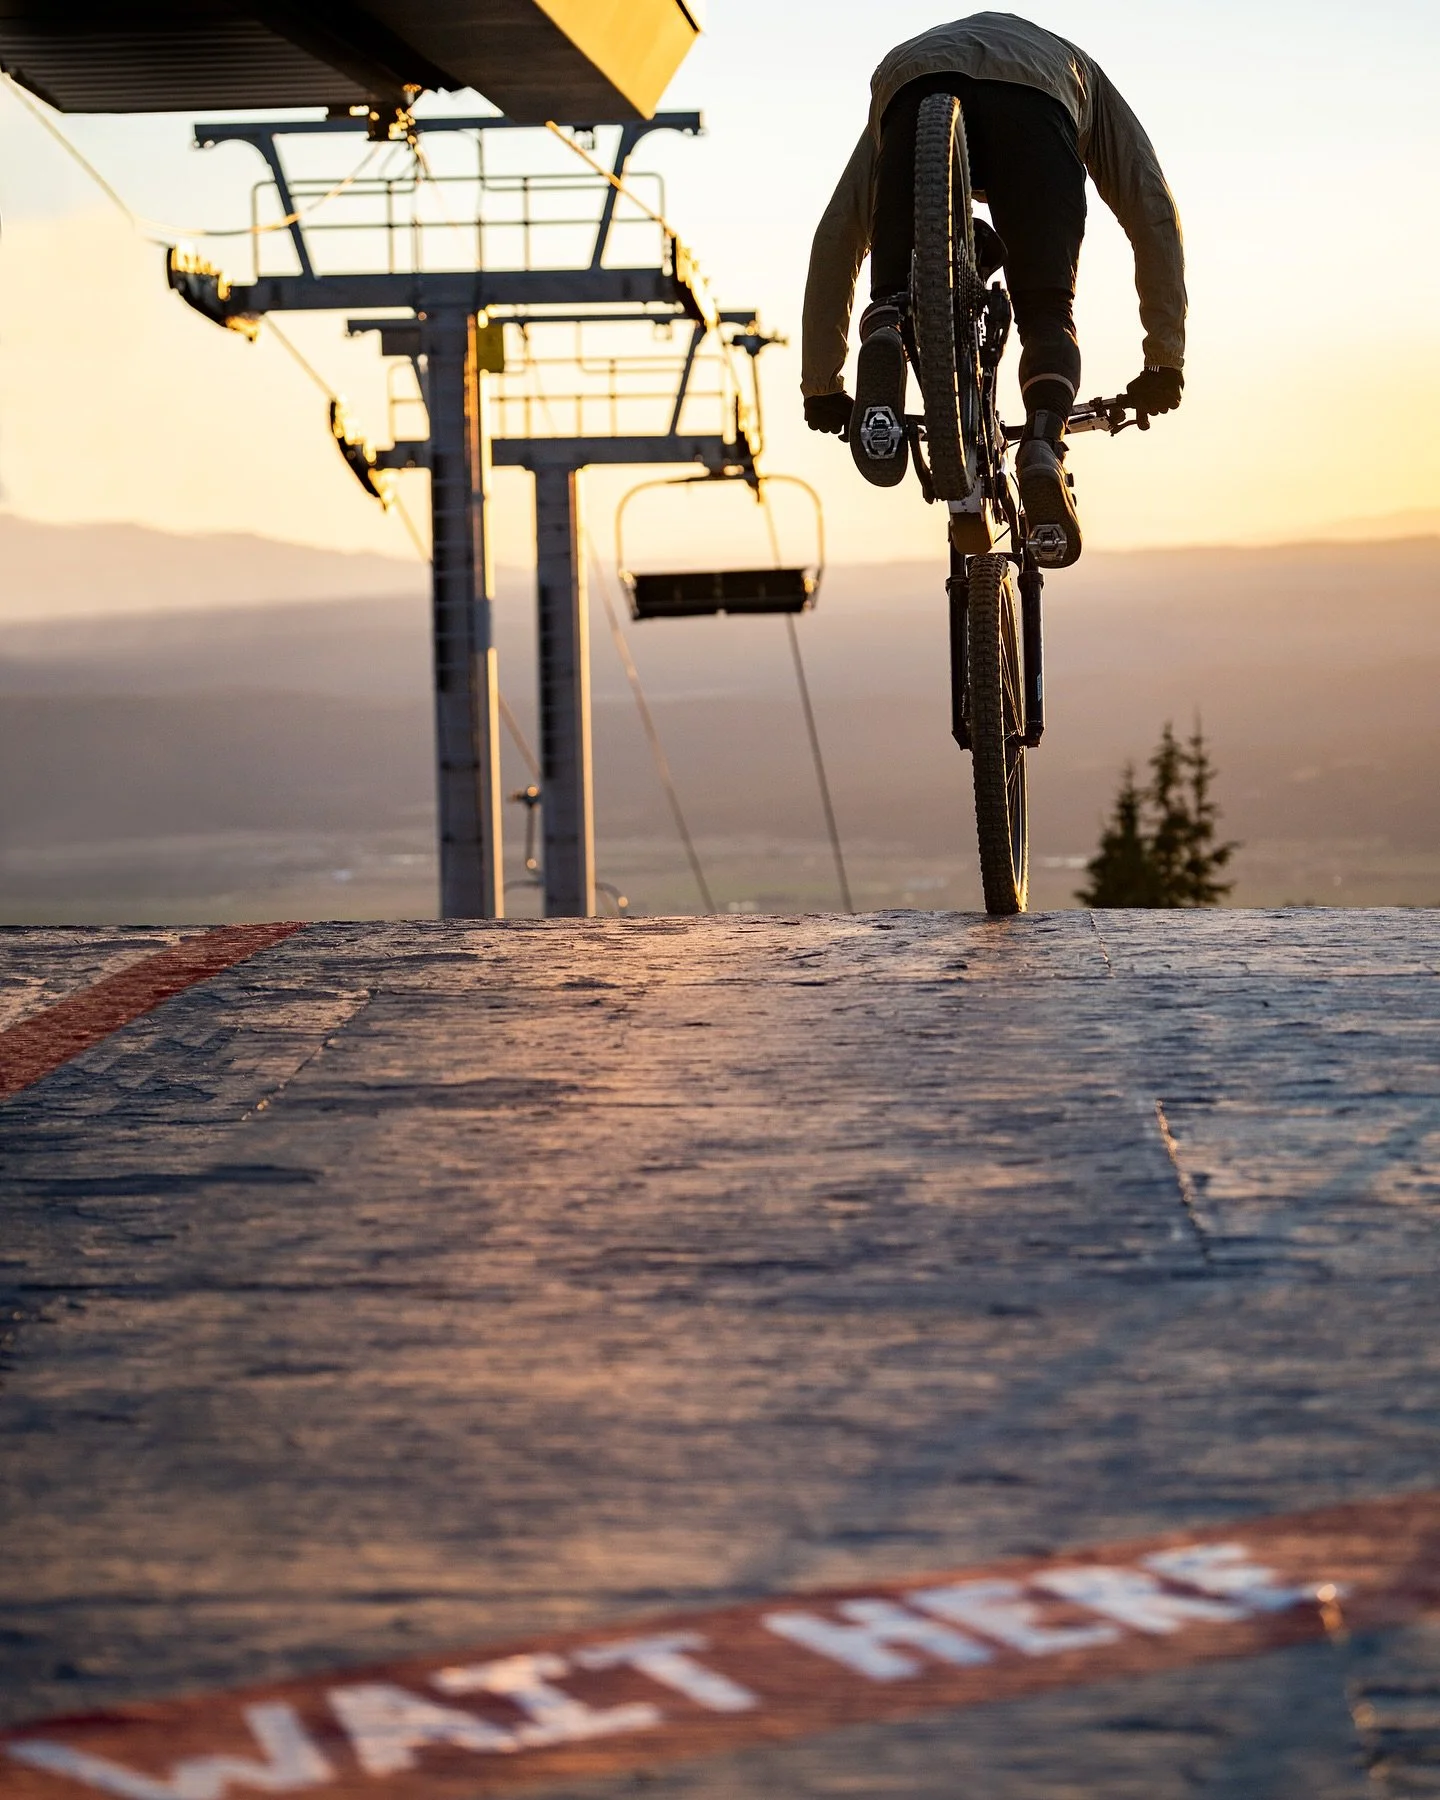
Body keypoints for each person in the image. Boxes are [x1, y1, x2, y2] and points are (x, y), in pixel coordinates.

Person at [801, 12, 1185, 567]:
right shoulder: (1087, 76)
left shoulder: (915, 76)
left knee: (893, 287)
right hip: (1042, 96)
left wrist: (823, 384)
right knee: (1049, 313)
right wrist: (1163, 360)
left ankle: (886, 323)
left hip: (913, 79)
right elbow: (1152, 209)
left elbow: (837, 234)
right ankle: (1043, 443)